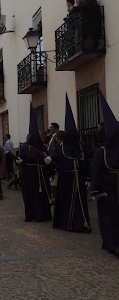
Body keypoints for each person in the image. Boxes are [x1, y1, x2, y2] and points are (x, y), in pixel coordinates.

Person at [51, 95, 91, 233]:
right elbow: (54, 160)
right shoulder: (61, 147)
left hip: (76, 179)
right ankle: (68, 223)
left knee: (78, 202)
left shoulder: (80, 146)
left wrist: (87, 177)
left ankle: (79, 223)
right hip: (67, 178)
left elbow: (86, 161)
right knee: (67, 201)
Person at [90, 91, 119, 255]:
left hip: (108, 187)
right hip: (112, 186)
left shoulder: (102, 152)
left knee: (108, 216)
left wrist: (95, 190)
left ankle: (111, 243)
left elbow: (97, 172)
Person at [16, 104, 53, 222]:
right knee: (29, 195)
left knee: (40, 195)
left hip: (40, 175)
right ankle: (31, 215)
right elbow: (20, 159)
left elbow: (47, 159)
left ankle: (42, 215)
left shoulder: (42, 147)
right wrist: (19, 161)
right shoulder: (25, 147)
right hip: (28, 175)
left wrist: (48, 161)